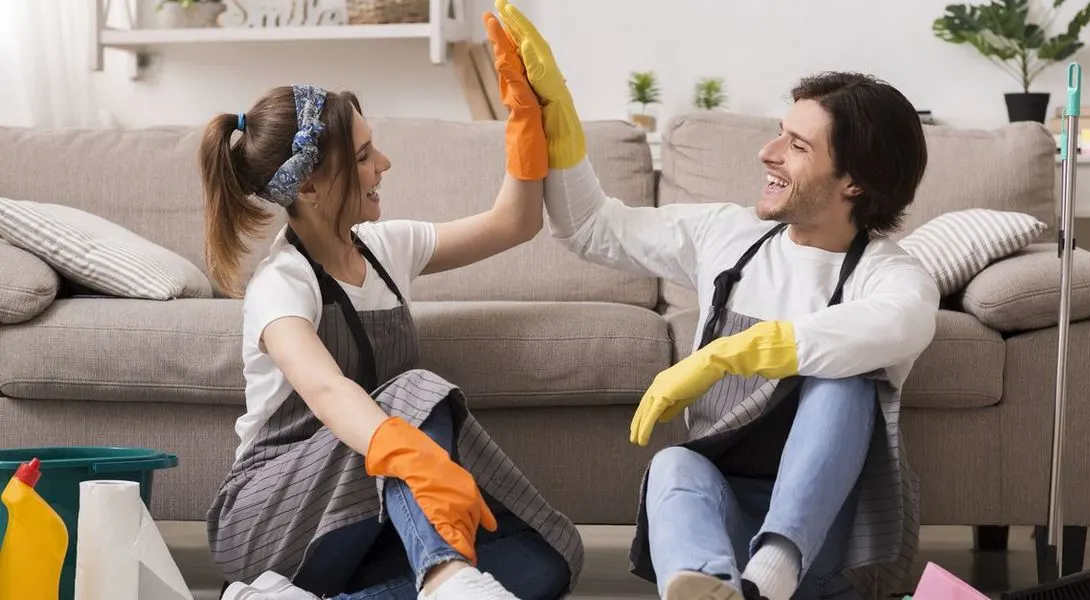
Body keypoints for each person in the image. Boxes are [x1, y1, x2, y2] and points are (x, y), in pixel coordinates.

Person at [492, 2, 941, 599]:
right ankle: (716, 587)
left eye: (798, 146)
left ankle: (773, 573)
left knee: (846, 382)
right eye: (780, 132)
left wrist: (724, 355)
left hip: (832, 541)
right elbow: (592, 228)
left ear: (854, 182)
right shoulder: (727, 236)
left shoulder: (890, 276)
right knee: (675, 466)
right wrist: (556, 111)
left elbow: (899, 325)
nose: (768, 152)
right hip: (724, 526)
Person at [201, 12, 581, 600]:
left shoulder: (382, 247)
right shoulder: (282, 282)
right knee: (413, 391)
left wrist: (524, 117)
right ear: (307, 187)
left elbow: (515, 222)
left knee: (547, 559)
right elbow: (326, 389)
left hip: (362, 511)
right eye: (363, 155)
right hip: (269, 518)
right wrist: (407, 450)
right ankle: (444, 575)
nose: (384, 164)